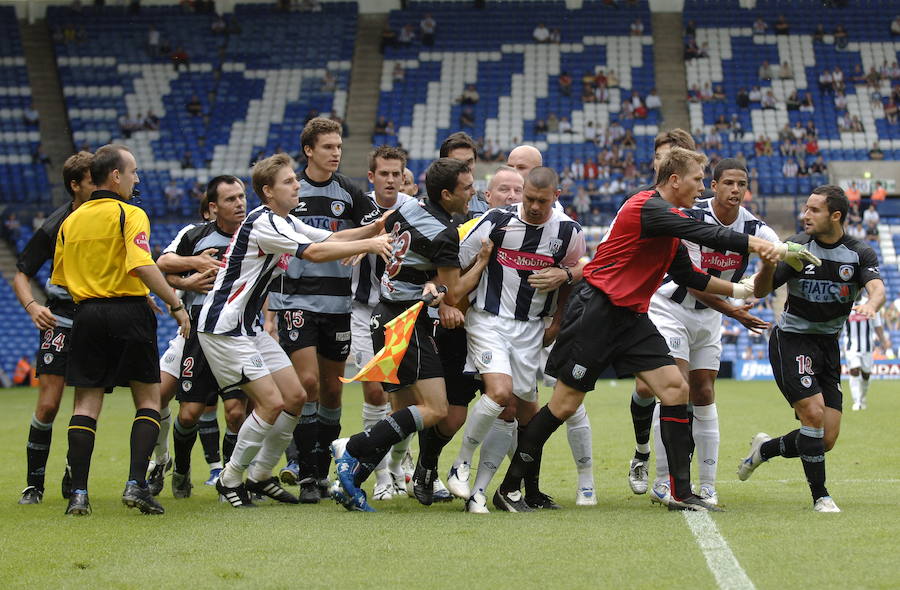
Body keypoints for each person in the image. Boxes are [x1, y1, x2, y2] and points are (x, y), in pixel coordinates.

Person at [492, 147, 788, 513]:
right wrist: (756, 243)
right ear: (675, 180)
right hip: (597, 312)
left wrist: (741, 291)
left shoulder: (670, 218)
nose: (701, 188)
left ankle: (679, 491)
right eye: (698, 180)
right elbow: (703, 232)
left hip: (631, 317)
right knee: (564, 404)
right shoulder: (647, 207)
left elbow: (688, 275)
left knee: (676, 388)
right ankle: (509, 488)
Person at [199, 153, 392, 508]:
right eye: (288, 182)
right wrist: (370, 245)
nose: (297, 185)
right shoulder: (265, 223)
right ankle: (229, 479)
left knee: (295, 396)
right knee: (272, 402)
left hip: (247, 327)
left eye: (295, 179)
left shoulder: (282, 220)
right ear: (268, 192)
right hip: (223, 328)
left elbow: (332, 238)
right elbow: (316, 254)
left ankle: (259, 476)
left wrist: (380, 226)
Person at [329, 158, 491, 512]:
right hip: (407, 322)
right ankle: (352, 447)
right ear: (446, 194)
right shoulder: (444, 233)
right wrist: (481, 262)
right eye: (466, 187)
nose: (473, 192)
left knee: (400, 414)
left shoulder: (409, 207)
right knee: (435, 408)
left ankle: (350, 482)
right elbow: (455, 290)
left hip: (383, 316)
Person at [50, 144, 191, 516]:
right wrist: (175, 305)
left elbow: (63, 278)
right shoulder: (130, 214)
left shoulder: (71, 221)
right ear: (115, 176)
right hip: (129, 312)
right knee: (147, 400)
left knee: (86, 404)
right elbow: (141, 263)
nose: (137, 178)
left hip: (86, 314)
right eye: (132, 172)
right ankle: (135, 485)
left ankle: (78, 493)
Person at [631, 159, 779, 507]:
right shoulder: (691, 218)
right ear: (713, 186)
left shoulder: (758, 228)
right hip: (671, 308)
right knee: (675, 388)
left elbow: (763, 286)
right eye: (728, 183)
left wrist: (769, 266)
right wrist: (735, 310)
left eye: (741, 184)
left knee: (704, 391)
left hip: (710, 317)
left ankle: (708, 484)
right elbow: (692, 280)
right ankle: (665, 481)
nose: (735, 190)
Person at [446, 167, 587, 513]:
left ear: (556, 196)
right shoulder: (496, 220)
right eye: (528, 199)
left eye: (542, 200)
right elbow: (454, 261)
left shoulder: (568, 232)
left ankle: (480, 491)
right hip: (489, 320)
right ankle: (460, 464)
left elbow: (576, 277)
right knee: (498, 392)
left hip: (531, 330)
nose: (534, 206)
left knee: (519, 413)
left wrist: (556, 320)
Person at [741, 185, 884, 513]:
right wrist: (766, 263)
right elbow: (762, 291)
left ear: (835, 216)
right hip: (792, 340)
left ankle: (765, 449)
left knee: (826, 438)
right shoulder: (797, 248)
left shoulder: (859, 254)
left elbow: (876, 289)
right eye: (806, 208)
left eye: (814, 210)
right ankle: (821, 496)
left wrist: (872, 305)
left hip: (828, 347)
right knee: (814, 414)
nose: (805, 215)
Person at [267, 118, 381, 504]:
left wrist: (364, 246)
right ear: (309, 151)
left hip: (337, 302)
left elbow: (374, 226)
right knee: (308, 384)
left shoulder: (348, 191)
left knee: (333, 389)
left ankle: (321, 466)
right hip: (294, 298)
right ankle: (306, 474)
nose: (336, 153)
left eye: (339, 147)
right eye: (328, 147)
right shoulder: (289, 189)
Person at [153, 176, 251, 498]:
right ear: (213, 208)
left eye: (241, 197)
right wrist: (191, 278)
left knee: (236, 411)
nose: (239, 204)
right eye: (231, 199)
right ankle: (178, 468)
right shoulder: (195, 235)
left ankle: (229, 479)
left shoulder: (255, 233)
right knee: (189, 413)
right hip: (195, 332)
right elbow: (163, 265)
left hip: (236, 334)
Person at [13, 152, 94, 505]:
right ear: (75, 185)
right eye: (93, 180)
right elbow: (21, 273)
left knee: (85, 407)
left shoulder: (111, 218)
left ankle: (72, 473)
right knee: (48, 406)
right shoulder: (55, 223)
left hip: (96, 319)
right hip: (60, 319)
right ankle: (34, 484)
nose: (101, 185)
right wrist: (32, 305)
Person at [347, 146, 417, 501]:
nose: (390, 180)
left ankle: (401, 462)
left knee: (404, 398)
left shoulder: (414, 210)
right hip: (363, 311)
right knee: (375, 392)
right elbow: (339, 247)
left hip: (401, 313)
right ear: (371, 176)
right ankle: (380, 475)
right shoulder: (359, 209)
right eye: (383, 174)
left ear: (404, 176)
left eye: (396, 174)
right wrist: (362, 242)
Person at [844, 294, 891, 411]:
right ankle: (857, 401)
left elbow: (878, 325)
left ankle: (862, 398)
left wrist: (884, 341)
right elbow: (839, 324)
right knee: (854, 370)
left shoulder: (871, 304)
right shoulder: (845, 303)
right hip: (851, 346)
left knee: (866, 375)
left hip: (868, 346)